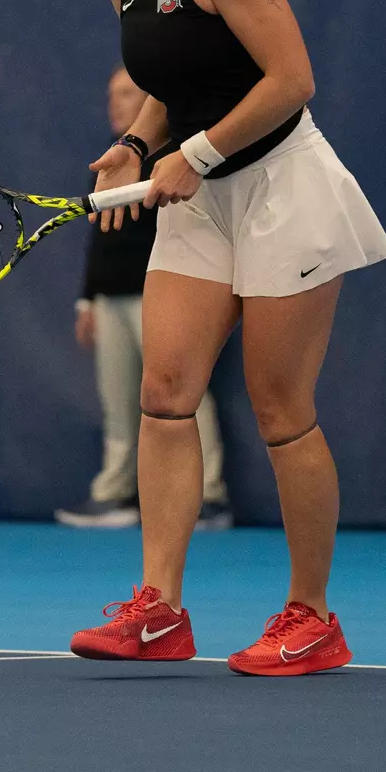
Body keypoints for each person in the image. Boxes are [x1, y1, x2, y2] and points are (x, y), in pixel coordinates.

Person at [70, 0, 386, 676]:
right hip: (198, 195)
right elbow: (169, 82)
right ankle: (159, 612)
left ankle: (312, 617)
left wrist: (198, 153)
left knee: (280, 408)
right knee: (164, 390)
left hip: (283, 188)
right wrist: (138, 144)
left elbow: (292, 79)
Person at [55, 64, 233, 531]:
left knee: (183, 395)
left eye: (127, 94)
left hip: (162, 296)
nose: (116, 103)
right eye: (111, 94)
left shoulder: (180, 161)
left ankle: (210, 498)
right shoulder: (112, 166)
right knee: (118, 403)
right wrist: (86, 301)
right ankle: (113, 495)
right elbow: (99, 239)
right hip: (111, 300)